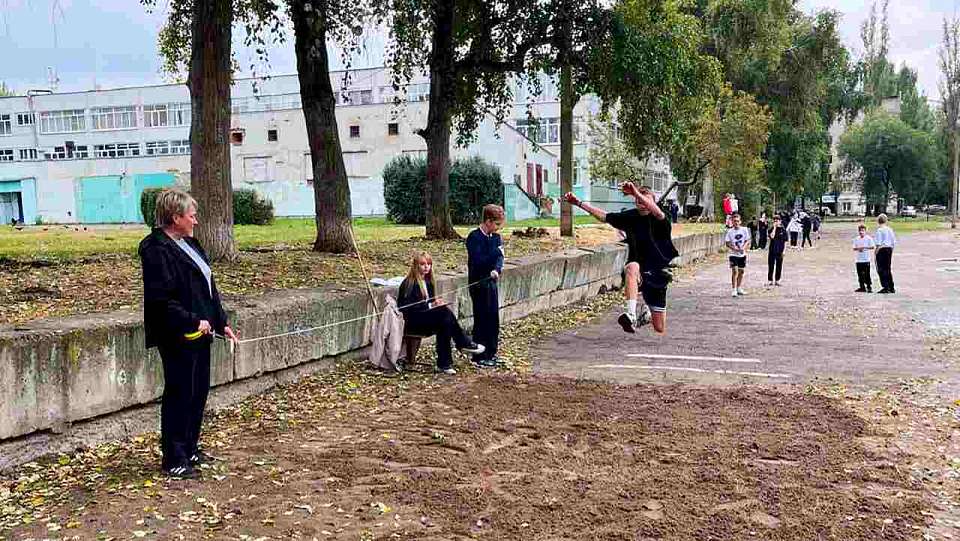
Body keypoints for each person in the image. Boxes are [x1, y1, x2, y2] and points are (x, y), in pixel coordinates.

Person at [139, 188, 239, 480]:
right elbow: (161, 300)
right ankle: (174, 458)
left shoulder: (191, 244)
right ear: (175, 217)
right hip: (177, 333)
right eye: (191, 216)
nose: (195, 221)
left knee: (198, 391)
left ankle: (190, 448)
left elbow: (208, 288)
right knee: (180, 393)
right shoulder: (155, 249)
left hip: (203, 332)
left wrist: (220, 322)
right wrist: (193, 321)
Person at [563, 182, 678, 334]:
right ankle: (631, 315)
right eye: (638, 199)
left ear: (653, 202)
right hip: (638, 272)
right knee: (631, 267)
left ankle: (647, 316)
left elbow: (656, 212)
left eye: (645, 199)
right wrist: (578, 203)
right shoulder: (630, 216)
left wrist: (636, 192)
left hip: (658, 274)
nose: (641, 201)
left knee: (659, 327)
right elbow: (604, 216)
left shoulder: (662, 218)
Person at [398, 252, 485, 374]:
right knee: (444, 314)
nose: (426, 267)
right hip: (412, 322)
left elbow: (430, 304)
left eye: (429, 264)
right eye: (423, 264)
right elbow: (408, 309)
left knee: (445, 321)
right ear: (416, 266)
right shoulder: (409, 283)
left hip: (426, 319)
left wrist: (435, 304)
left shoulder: (428, 282)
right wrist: (431, 305)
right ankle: (463, 343)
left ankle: (445, 364)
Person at [466, 205, 506, 367]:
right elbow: (478, 261)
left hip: (491, 282)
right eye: (496, 224)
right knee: (482, 318)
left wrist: (497, 269)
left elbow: (500, 258)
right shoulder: (474, 237)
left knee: (493, 318)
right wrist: (496, 253)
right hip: (478, 283)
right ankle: (480, 355)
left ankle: (491, 352)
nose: (498, 228)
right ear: (488, 221)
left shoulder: (496, 238)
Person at [725, 213, 751, 297]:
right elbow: (727, 243)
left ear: (740, 221)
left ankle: (739, 287)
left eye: (737, 221)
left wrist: (744, 248)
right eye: (734, 221)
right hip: (733, 254)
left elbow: (747, 240)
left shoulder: (744, 230)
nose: (736, 223)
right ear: (732, 222)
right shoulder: (730, 231)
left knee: (741, 271)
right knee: (734, 271)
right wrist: (734, 248)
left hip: (742, 254)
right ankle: (734, 289)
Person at [874, 213, 897, 294]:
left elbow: (878, 243)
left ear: (878, 221)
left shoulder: (879, 230)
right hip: (889, 249)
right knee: (887, 268)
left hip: (882, 249)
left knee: (881, 269)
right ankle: (891, 287)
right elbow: (893, 242)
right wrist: (891, 250)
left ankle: (885, 286)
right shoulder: (890, 229)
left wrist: (876, 252)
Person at [852, 224, 875, 293]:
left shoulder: (868, 238)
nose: (861, 232)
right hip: (859, 260)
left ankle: (869, 287)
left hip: (866, 259)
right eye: (860, 231)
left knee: (867, 274)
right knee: (860, 274)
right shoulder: (856, 239)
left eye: (862, 230)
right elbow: (854, 248)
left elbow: (872, 246)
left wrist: (864, 248)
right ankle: (862, 287)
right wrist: (858, 249)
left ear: (865, 231)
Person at [767, 215, 787, 286]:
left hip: (780, 250)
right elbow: (772, 236)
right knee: (771, 265)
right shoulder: (771, 229)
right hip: (772, 250)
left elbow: (785, 241)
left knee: (779, 265)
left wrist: (784, 251)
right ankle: (770, 280)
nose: (776, 222)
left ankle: (777, 280)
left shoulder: (783, 230)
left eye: (777, 220)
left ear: (780, 221)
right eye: (774, 220)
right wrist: (774, 228)